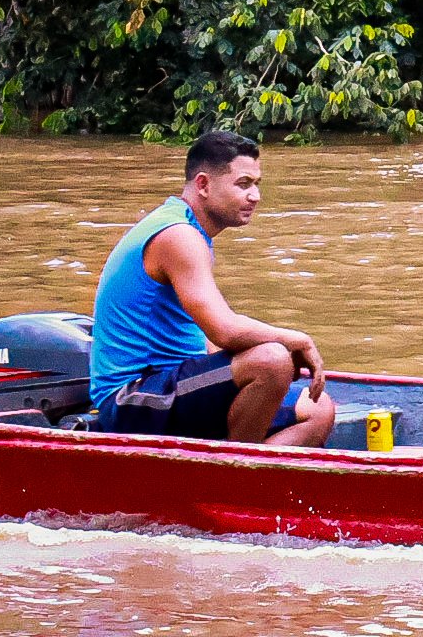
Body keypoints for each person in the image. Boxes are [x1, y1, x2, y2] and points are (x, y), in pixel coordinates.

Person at [88, 130, 337, 446]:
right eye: (243, 184)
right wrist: (296, 340)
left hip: (177, 386)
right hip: (132, 398)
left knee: (319, 408)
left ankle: (241, 481)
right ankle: (232, 472)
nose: (255, 196)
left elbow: (205, 340)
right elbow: (225, 331)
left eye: (256, 185)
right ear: (203, 185)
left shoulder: (192, 232)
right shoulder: (179, 236)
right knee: (271, 360)